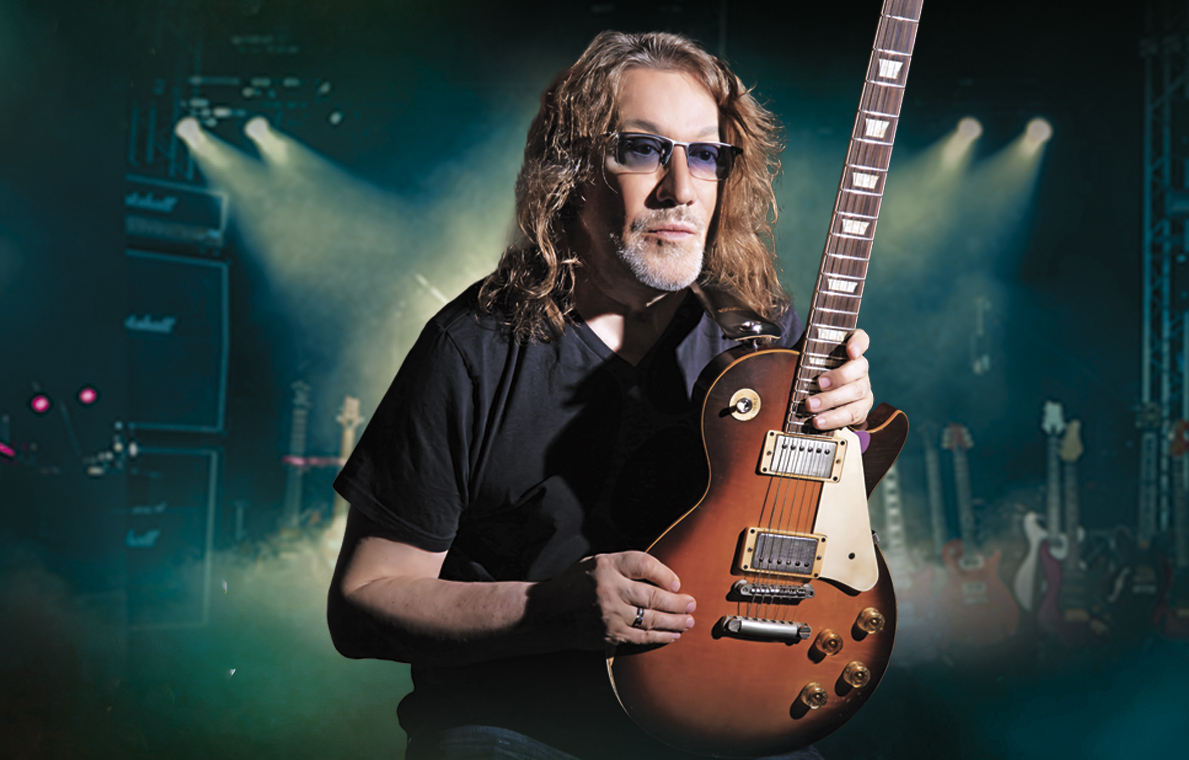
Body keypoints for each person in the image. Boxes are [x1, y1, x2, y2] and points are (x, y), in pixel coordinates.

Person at [327, 30, 875, 760]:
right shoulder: (472, 348)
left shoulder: (763, 334)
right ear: (570, 170)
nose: (681, 189)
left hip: (726, 708)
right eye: (642, 149)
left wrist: (846, 432)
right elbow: (362, 603)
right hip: (520, 726)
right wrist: (543, 611)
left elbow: (809, 535)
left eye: (705, 155)